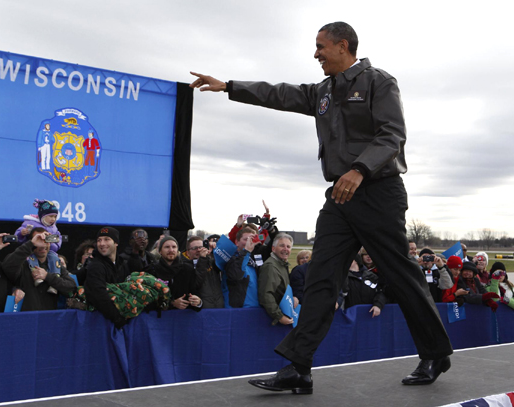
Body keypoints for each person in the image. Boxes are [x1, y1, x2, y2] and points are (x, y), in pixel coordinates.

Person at [190, 21, 453, 392]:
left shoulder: (380, 82)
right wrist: (230, 86)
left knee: (401, 275)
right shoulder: (322, 92)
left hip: (378, 191)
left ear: (342, 45)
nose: (316, 54)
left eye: (321, 47)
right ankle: (299, 367)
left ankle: (436, 352)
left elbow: (392, 134)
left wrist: (360, 170)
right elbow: (279, 94)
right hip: (340, 197)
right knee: (320, 279)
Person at [2, 228, 75, 311]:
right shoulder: (23, 263)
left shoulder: (55, 264)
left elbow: (71, 288)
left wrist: (48, 276)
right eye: (39, 240)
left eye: (46, 240)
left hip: (49, 317)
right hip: (27, 318)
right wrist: (30, 244)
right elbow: (7, 266)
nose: (42, 244)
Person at [145, 236, 204, 311]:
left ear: (177, 250)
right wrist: (171, 303)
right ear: (160, 251)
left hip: (183, 318)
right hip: (159, 318)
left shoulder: (187, 269)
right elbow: (147, 300)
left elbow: (194, 291)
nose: (171, 250)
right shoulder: (151, 270)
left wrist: (198, 302)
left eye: (174, 247)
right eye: (167, 247)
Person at [258, 234, 297, 325]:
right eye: (282, 245)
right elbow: (266, 295)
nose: (285, 249)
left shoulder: (282, 264)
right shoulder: (270, 266)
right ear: (273, 248)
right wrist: (279, 316)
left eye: (288, 246)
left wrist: (292, 298)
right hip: (273, 320)